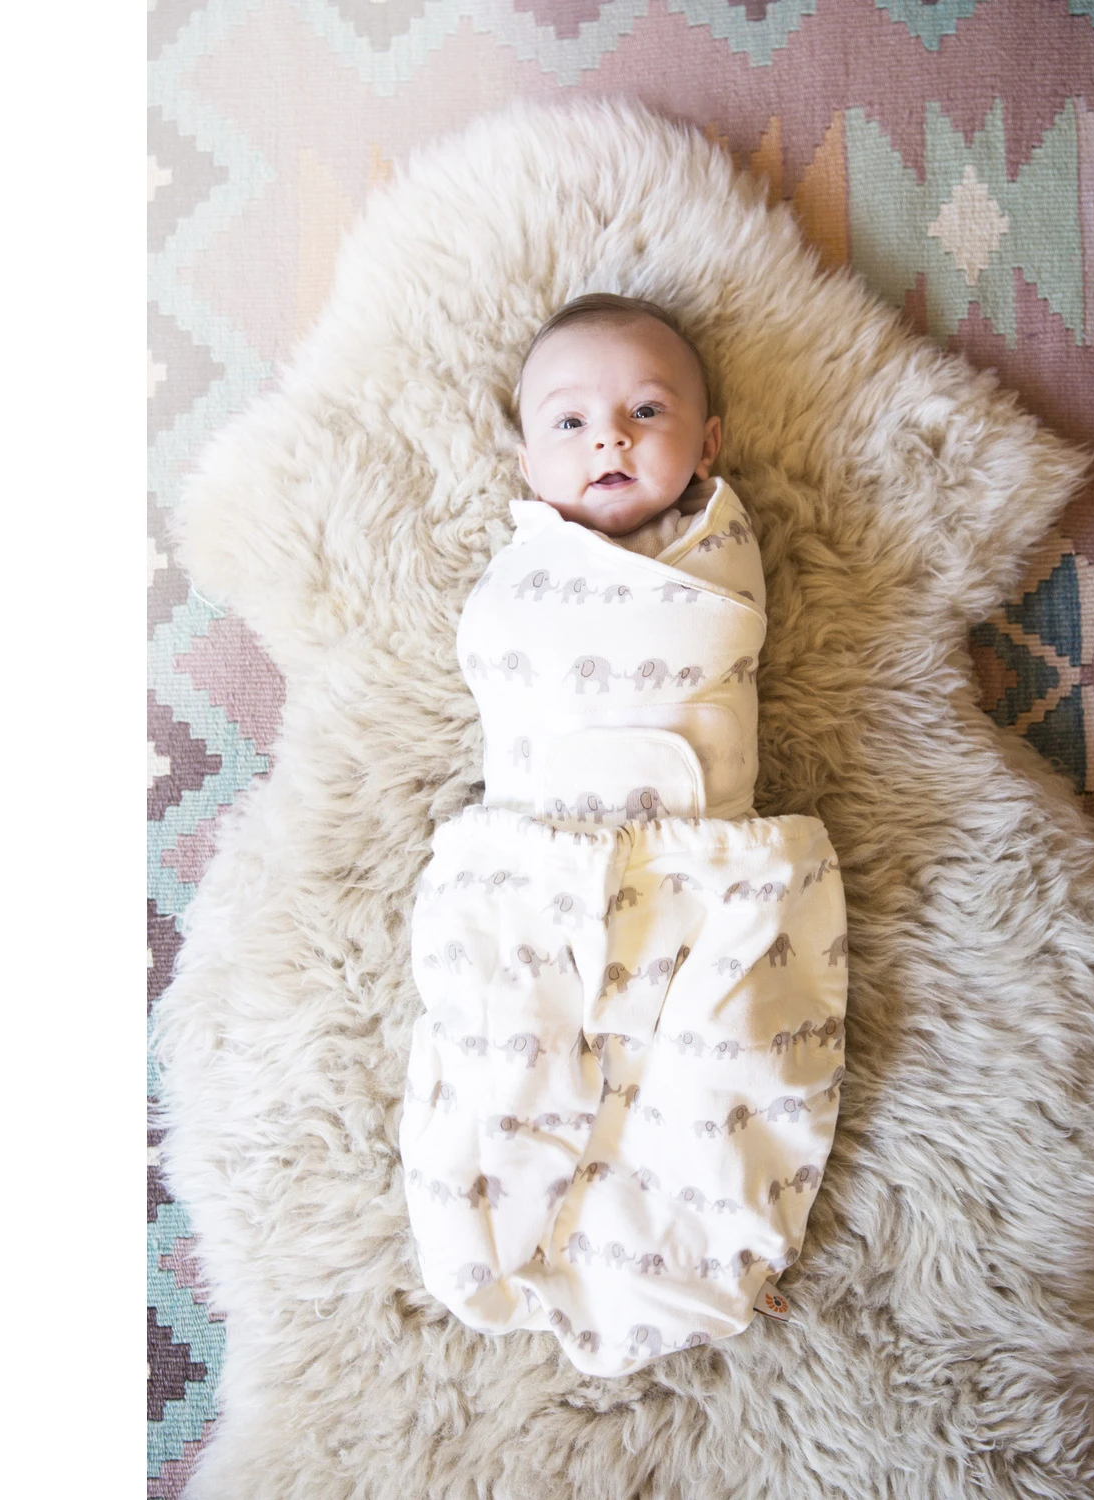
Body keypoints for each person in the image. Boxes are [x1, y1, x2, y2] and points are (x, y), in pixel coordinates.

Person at [399, 294, 848, 1376]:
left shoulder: (714, 549)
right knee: (507, 1047)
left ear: (709, 446)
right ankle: (486, 1229)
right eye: (570, 422)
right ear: (525, 464)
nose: (610, 437)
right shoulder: (527, 568)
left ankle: (695, 1255)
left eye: (647, 411)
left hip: (701, 879)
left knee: (715, 1059)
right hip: (531, 872)